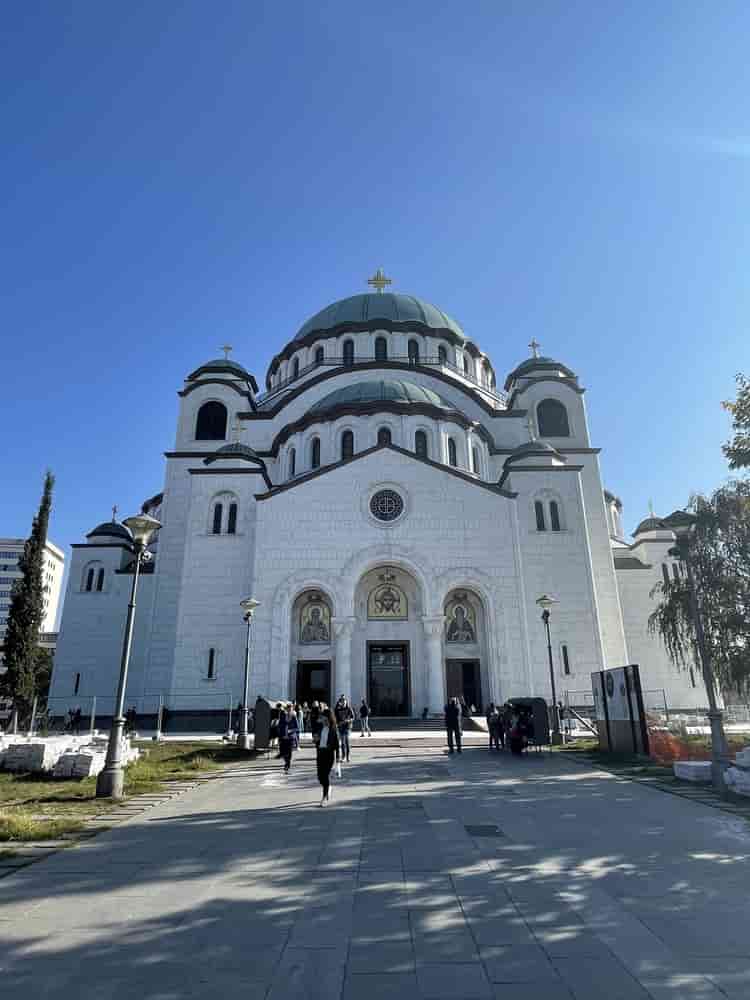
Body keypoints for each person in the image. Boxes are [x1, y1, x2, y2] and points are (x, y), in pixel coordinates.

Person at [316, 708, 339, 805]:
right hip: (320, 753)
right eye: (322, 717)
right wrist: (316, 740)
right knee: (320, 777)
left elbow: (337, 745)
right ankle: (328, 787)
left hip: (328, 755)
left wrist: (338, 759)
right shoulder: (321, 727)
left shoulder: (333, 729)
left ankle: (324, 797)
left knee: (325, 776)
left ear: (329, 717)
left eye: (324, 717)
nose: (323, 718)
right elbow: (318, 741)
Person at [278, 704, 299, 773]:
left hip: (290, 737)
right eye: (288, 709)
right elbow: (280, 726)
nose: (289, 710)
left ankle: (287, 764)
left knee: (289, 752)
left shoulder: (294, 717)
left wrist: (291, 730)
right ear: (286, 709)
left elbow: (297, 728)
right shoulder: (283, 716)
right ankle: (286, 762)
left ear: (292, 710)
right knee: (284, 752)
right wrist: (280, 735)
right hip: (283, 737)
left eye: (291, 709)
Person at [335, 696, 354, 762]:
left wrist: (348, 721)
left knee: (347, 742)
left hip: (347, 727)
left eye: (344, 701)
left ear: (346, 701)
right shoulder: (338, 709)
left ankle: (348, 756)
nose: (343, 702)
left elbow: (353, 717)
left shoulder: (349, 708)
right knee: (342, 743)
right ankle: (343, 756)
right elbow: (336, 718)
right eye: (342, 701)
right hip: (341, 727)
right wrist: (337, 723)